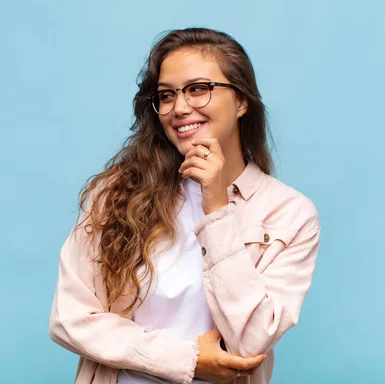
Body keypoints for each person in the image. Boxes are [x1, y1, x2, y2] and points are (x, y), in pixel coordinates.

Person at [49, 27, 320, 384]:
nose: (178, 108)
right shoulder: (116, 194)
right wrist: (186, 360)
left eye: (198, 89)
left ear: (241, 101)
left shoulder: (289, 213)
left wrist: (217, 208)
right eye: (166, 95)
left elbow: (252, 340)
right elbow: (70, 319)